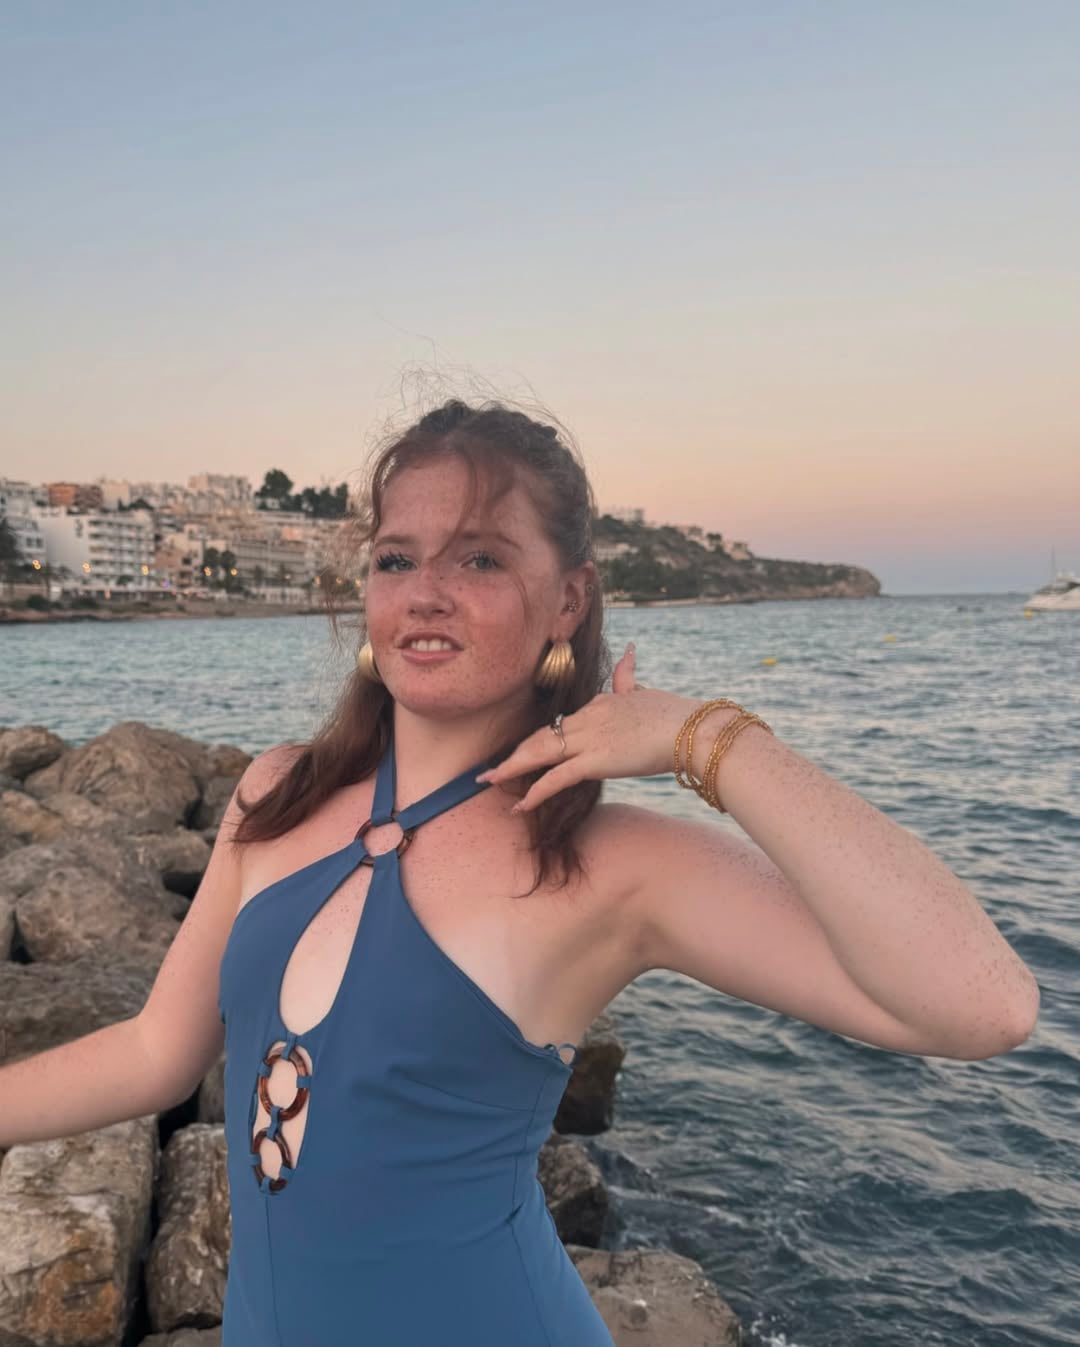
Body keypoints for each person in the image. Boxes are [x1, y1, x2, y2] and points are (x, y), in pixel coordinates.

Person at [0, 398, 1040, 1345]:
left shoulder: (609, 866)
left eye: (482, 560)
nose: (426, 595)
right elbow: (156, 1052)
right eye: (396, 559)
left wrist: (706, 739)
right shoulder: (276, 793)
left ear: (568, 600)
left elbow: (980, 1006)